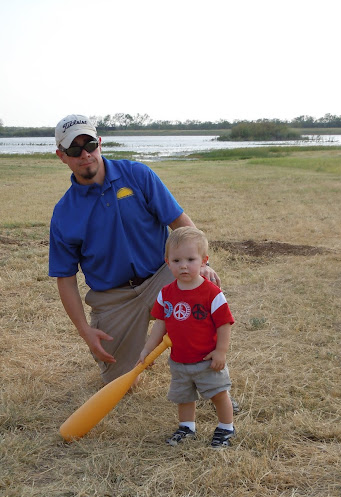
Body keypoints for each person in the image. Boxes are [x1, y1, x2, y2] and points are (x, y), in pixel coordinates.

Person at [49, 114, 221, 385]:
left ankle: (216, 386)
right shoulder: (63, 213)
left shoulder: (138, 175)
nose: (85, 154)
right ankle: (137, 346)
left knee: (205, 295)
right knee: (120, 381)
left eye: (90, 144)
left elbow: (179, 223)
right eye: (74, 149)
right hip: (113, 297)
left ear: (100, 143)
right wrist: (84, 331)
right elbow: (65, 278)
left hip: (161, 276)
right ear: (62, 156)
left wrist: (203, 266)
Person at [138, 227, 236, 448]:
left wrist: (220, 352)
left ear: (204, 261)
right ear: (167, 263)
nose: (183, 265)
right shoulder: (166, 293)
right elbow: (160, 325)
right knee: (183, 396)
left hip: (207, 360)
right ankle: (187, 427)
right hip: (179, 361)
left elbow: (224, 324)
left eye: (191, 259)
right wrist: (147, 350)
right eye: (176, 260)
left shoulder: (212, 293)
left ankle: (226, 427)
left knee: (219, 394)